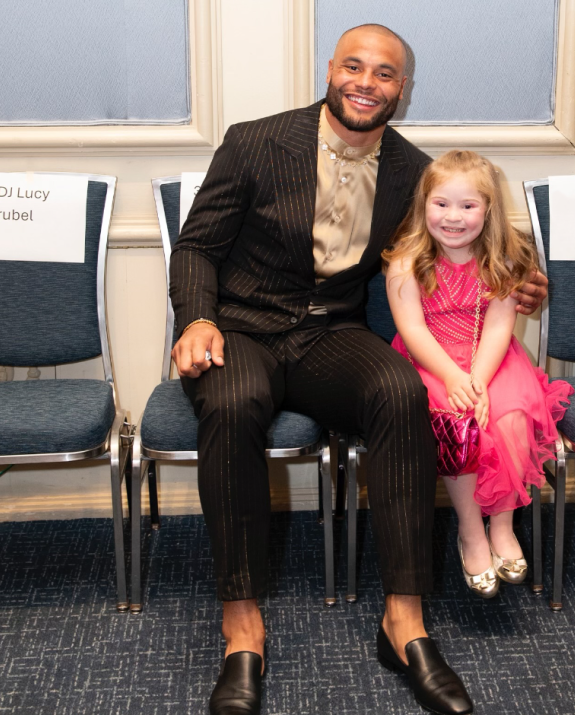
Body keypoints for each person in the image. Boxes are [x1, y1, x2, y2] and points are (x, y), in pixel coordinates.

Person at [169, 24, 547, 715]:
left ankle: (403, 620)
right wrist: (198, 319)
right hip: (242, 326)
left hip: (331, 332)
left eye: (383, 74)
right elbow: (196, 247)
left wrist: (522, 282)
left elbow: (463, 248)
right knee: (231, 406)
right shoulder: (255, 141)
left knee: (400, 393)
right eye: (354, 67)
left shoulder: (412, 171)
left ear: (402, 90)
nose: (365, 83)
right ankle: (241, 627)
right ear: (329, 71)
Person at [385, 150, 573, 599]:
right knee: (459, 422)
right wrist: (454, 379)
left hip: (492, 358)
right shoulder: (406, 262)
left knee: (507, 416)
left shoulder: (504, 259)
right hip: (432, 360)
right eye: (441, 203)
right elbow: (412, 330)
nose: (453, 217)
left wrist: (481, 382)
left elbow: (499, 327)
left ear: (488, 211)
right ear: (423, 204)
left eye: (468, 206)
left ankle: (503, 526)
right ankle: (471, 532)